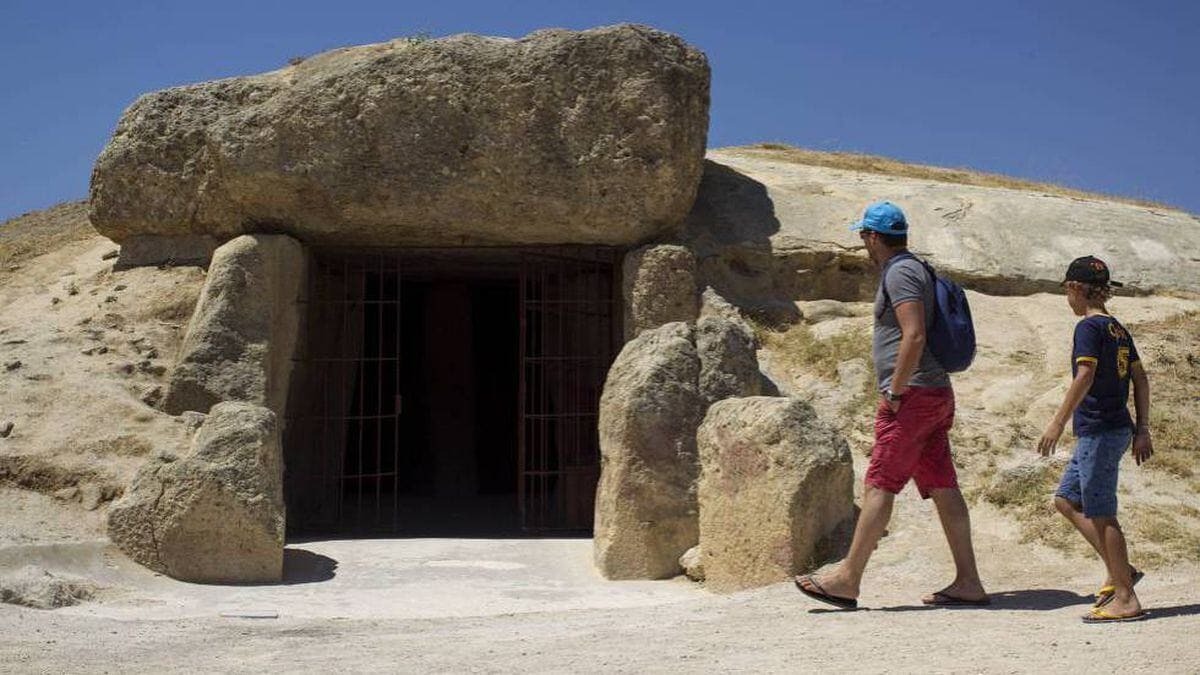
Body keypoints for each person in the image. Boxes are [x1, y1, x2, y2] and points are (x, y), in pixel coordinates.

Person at [795, 201, 988, 609]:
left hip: (913, 396)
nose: (863, 244)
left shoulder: (900, 272)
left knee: (880, 481)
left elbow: (913, 335)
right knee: (942, 485)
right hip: (933, 393)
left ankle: (847, 579)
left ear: (873, 237)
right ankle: (969, 581)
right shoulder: (914, 268)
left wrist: (895, 391)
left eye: (863, 236)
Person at [1037, 255, 1153, 623]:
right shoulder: (1117, 328)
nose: (1067, 300)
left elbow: (1084, 375)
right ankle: (1123, 571)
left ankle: (1125, 597)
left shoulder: (1088, 328)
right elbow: (1141, 379)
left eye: (1066, 292)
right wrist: (1142, 428)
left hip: (1099, 430)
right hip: (1115, 428)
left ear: (1074, 288)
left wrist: (1057, 423)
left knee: (1102, 513)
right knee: (1067, 500)